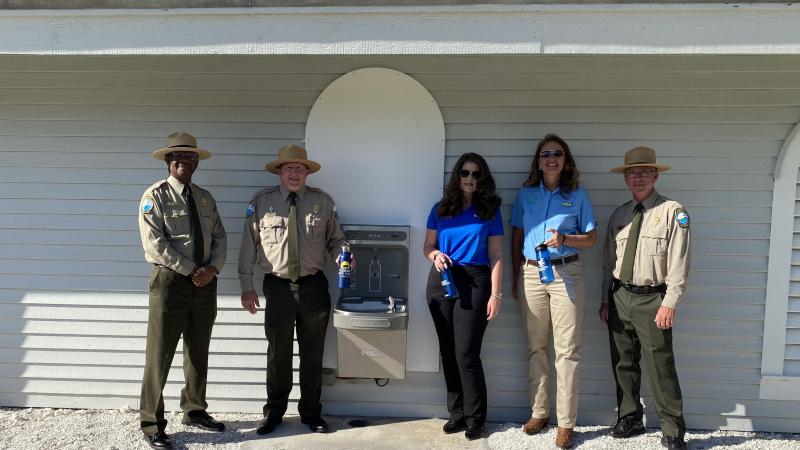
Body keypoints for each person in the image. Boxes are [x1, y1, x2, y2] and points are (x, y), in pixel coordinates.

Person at [238, 144, 346, 436]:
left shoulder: (323, 202)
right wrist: (246, 286)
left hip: (313, 286)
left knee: (313, 355)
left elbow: (336, 240)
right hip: (278, 288)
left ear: (307, 172)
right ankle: (274, 413)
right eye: (289, 168)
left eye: (300, 168)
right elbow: (249, 246)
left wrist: (343, 254)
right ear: (279, 171)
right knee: (278, 355)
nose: (295, 173)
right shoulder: (261, 202)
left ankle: (311, 414)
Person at [138, 132, 228, 450]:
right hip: (171, 283)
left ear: (196, 162)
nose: (184, 161)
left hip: (205, 284)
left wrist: (213, 269)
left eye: (190, 157)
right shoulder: (155, 196)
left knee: (198, 351)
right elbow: (155, 244)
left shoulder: (204, 197)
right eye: (177, 156)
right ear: (167, 160)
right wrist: (194, 270)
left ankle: (194, 409)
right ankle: (151, 422)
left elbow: (219, 237)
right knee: (160, 354)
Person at [599, 146, 691, 450]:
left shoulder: (673, 212)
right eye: (631, 173)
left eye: (643, 172)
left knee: (660, 366)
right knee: (623, 362)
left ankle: (672, 430)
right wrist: (605, 299)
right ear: (625, 178)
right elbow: (608, 262)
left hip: (653, 300)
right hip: (620, 296)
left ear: (656, 174)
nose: (637, 178)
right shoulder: (620, 215)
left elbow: (679, 262)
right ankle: (630, 416)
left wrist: (670, 302)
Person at [509, 134, 597, 449]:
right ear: (538, 160)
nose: (551, 158)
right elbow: (516, 236)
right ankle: (539, 412)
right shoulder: (525, 195)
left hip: (566, 272)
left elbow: (591, 239)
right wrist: (514, 277)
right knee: (536, 347)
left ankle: (566, 423)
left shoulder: (578, 195)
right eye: (545, 153)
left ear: (565, 160)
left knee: (567, 351)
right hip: (531, 273)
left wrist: (566, 239)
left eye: (557, 153)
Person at [423, 152, 503, 441]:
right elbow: (427, 246)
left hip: (475, 280)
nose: (470, 179)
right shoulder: (441, 208)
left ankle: (476, 418)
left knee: (466, 353)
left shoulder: (490, 210)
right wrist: (434, 254)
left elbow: (495, 255)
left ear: (483, 179)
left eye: (476, 174)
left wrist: (496, 294)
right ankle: (456, 414)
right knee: (448, 351)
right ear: (458, 176)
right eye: (465, 173)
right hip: (442, 279)